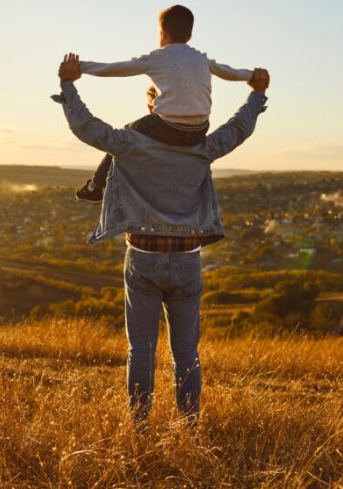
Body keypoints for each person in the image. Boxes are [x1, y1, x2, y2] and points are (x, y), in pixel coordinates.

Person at [53, 53, 269, 424]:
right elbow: (238, 129)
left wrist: (69, 84)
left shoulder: (130, 144)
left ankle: (140, 427)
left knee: (141, 350)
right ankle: (189, 425)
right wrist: (256, 94)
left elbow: (86, 126)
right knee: (187, 351)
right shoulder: (203, 148)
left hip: (143, 258)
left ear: (155, 105)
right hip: (188, 259)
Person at [73, 5, 267, 203]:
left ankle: (95, 187)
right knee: (138, 130)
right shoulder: (202, 59)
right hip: (199, 130)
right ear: (190, 34)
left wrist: (80, 67)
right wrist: (252, 76)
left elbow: (113, 69)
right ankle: (97, 185)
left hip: (167, 127)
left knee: (122, 137)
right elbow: (230, 72)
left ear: (163, 33)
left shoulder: (157, 57)